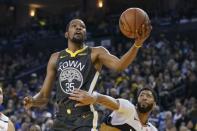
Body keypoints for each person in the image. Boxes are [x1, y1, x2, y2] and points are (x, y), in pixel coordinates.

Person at [23, 18, 152, 131]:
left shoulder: (96, 52)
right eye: (74, 26)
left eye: (82, 27)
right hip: (61, 118)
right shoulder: (55, 57)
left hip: (84, 117)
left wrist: (137, 44)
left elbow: (119, 65)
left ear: (85, 33)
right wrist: (33, 101)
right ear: (66, 34)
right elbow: (44, 96)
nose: (79, 27)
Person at [69, 87, 158, 131]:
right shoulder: (129, 109)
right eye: (141, 95)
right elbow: (109, 101)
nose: (144, 97)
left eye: (148, 96)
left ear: (154, 105)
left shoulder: (152, 129)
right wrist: (94, 97)